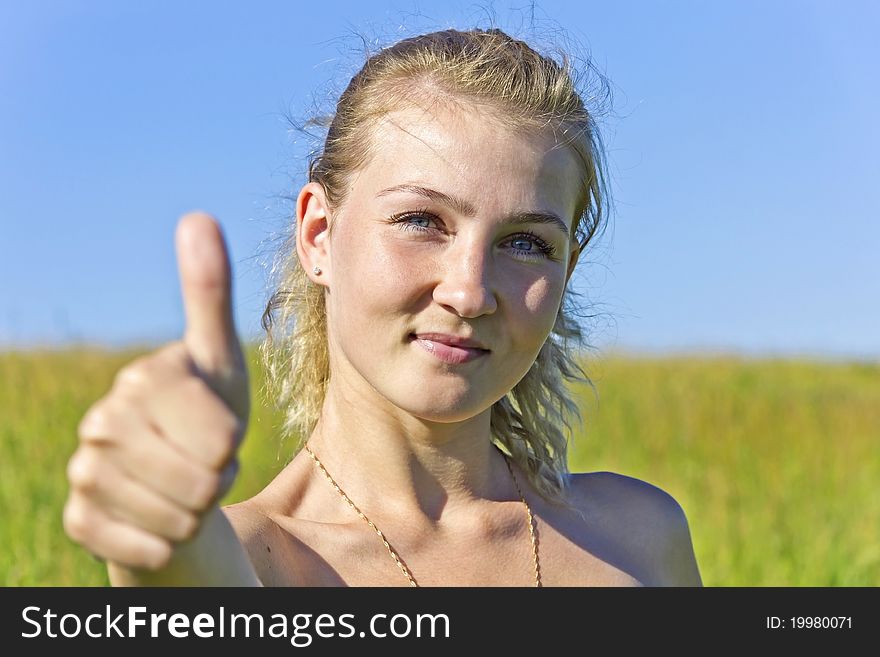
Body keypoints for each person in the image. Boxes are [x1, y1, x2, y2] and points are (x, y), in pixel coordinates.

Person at [63, 26, 702, 586]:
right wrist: (161, 543)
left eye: (528, 243)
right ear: (319, 235)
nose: (470, 291)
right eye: (422, 220)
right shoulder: (257, 562)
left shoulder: (638, 541)